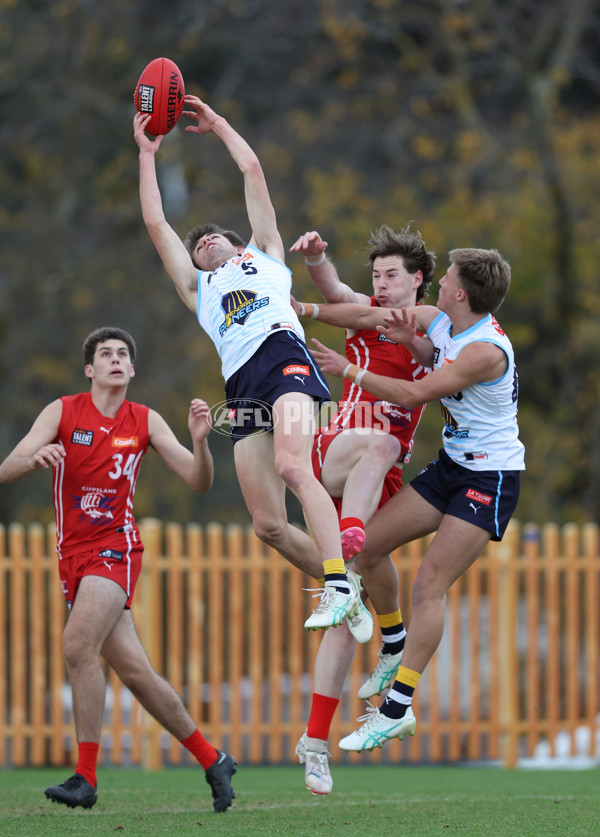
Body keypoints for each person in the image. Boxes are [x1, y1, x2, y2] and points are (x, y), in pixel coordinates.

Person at [133, 99, 363, 633]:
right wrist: (147, 155)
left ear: (239, 243)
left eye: (214, 234)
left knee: (291, 465)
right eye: (198, 244)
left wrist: (219, 127)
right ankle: (349, 585)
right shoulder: (198, 289)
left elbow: (252, 170)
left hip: (284, 356)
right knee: (267, 525)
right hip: (242, 384)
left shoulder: (264, 255)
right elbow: (154, 220)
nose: (204, 239)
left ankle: (334, 585)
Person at [0, 327, 237, 812]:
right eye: (104, 354)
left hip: (116, 549)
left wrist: (202, 443)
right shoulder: (63, 411)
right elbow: (7, 467)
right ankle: (213, 759)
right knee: (137, 673)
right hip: (73, 555)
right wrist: (33, 459)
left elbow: (197, 481)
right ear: (90, 369)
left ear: (131, 370)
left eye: (122, 354)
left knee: (76, 644)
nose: (114, 359)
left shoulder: (145, 420)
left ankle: (85, 778)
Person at [305, 247, 525, 752]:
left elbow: (410, 396)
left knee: (429, 585)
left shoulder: (484, 351)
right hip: (452, 466)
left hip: (489, 478)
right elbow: (369, 315)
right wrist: (310, 311)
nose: (439, 283)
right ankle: (393, 641)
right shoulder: (443, 321)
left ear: (461, 293)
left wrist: (349, 370)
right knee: (364, 550)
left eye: (445, 278)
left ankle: (397, 708)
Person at [289, 225, 436, 794]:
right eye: (376, 275)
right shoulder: (365, 309)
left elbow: (421, 346)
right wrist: (318, 261)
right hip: (340, 447)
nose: (380, 284)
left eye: (391, 274)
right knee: (383, 443)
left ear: (418, 279)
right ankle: (351, 541)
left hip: (381, 475)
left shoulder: (435, 333)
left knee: (354, 604)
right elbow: (341, 295)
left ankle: (316, 744)